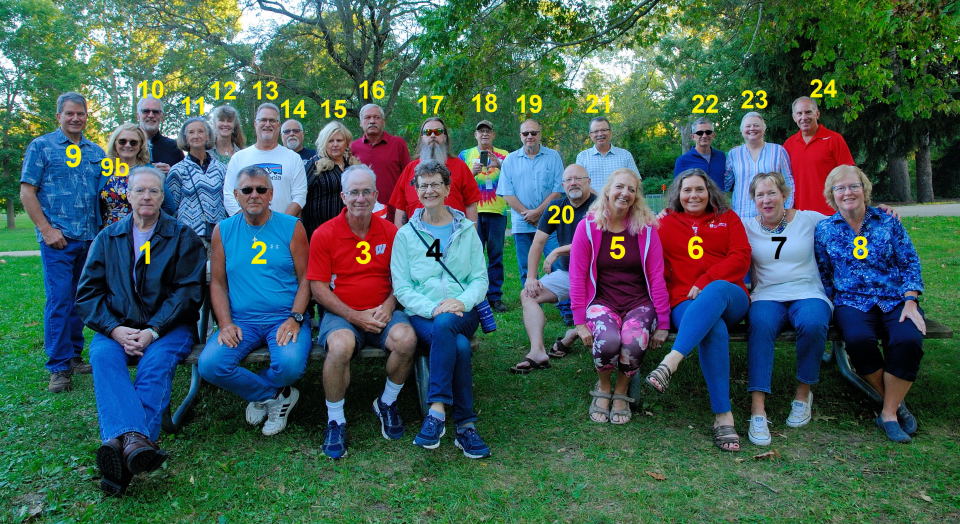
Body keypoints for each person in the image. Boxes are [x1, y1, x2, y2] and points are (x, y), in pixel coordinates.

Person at [75, 167, 205, 496]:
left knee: (155, 365)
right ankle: (137, 446)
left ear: (163, 197)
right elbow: (88, 294)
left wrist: (153, 330)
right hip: (116, 326)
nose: (147, 197)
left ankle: (119, 455)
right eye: (140, 191)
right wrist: (115, 329)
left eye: (154, 191)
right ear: (128, 195)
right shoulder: (108, 238)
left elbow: (188, 293)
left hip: (168, 328)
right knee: (103, 357)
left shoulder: (182, 236)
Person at [308, 165, 417, 459]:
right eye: (354, 192)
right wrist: (355, 316)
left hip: (383, 310)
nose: (360, 198)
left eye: (366, 191)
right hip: (342, 313)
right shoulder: (324, 233)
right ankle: (335, 418)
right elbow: (318, 288)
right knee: (340, 346)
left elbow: (403, 280)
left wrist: (388, 305)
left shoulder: (392, 232)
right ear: (343, 196)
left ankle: (387, 402)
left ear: (376, 195)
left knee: (406, 339)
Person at [814, 165, 925, 443]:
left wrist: (910, 300)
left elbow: (909, 261)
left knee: (908, 339)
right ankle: (896, 404)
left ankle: (888, 412)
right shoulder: (825, 229)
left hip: (895, 299)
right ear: (832, 195)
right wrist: (830, 304)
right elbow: (824, 271)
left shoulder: (887, 221)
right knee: (859, 340)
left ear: (865, 189)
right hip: (851, 302)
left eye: (853, 186)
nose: (847, 192)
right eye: (840, 188)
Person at [198, 166, 311, 436]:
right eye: (247, 190)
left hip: (283, 317)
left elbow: (307, 277)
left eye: (261, 189)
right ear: (236, 195)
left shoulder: (291, 227)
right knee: (211, 365)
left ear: (271, 194)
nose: (254, 195)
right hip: (242, 320)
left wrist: (295, 318)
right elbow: (218, 282)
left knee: (290, 366)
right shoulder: (223, 230)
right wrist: (224, 323)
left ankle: (263, 392)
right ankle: (275, 396)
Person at [644, 168, 751, 451]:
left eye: (699, 189)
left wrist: (705, 280)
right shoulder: (666, 223)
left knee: (715, 291)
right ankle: (723, 415)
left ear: (709, 191)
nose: (693, 195)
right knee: (712, 328)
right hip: (683, 301)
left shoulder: (727, 218)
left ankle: (671, 361)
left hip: (730, 296)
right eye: (687, 190)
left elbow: (741, 257)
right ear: (678, 193)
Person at [391, 160, 491, 459]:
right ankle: (466, 426)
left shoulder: (466, 230)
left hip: (464, 310)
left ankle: (435, 410)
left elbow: (479, 277)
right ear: (416, 191)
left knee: (450, 325)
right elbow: (403, 287)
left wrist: (463, 301)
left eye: (436, 184)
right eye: (423, 185)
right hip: (424, 314)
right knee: (458, 344)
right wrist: (433, 307)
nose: (429, 190)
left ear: (448, 189)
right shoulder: (406, 235)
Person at [568, 168, 670, 424]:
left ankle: (622, 390)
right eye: (619, 187)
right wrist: (579, 322)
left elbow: (657, 277)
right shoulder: (588, 227)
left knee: (633, 342)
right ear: (607, 191)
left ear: (636, 197)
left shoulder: (646, 230)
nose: (624, 193)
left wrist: (664, 323)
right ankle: (604, 386)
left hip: (639, 303)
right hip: (602, 301)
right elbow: (577, 277)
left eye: (631, 190)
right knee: (609, 341)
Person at [20, 92, 106, 393]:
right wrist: (46, 229)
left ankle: (74, 356)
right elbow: (27, 192)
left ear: (86, 116)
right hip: (58, 239)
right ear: (59, 116)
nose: (75, 118)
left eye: (80, 114)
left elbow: (107, 191)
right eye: (69, 113)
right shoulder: (42, 147)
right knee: (59, 299)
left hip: (90, 239)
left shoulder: (95, 152)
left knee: (81, 301)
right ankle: (58, 368)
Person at [743, 171, 832, 446]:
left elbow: (848, 220)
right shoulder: (747, 226)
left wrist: (884, 211)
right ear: (753, 200)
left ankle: (803, 393)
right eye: (760, 195)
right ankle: (758, 409)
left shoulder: (808, 219)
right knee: (759, 326)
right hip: (767, 295)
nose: (766, 200)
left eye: (772, 193)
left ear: (784, 194)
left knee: (814, 323)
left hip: (807, 292)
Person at [510, 164, 596, 373]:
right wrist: (531, 277)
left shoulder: (601, 205)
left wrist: (558, 251)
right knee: (528, 294)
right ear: (563, 185)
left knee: (603, 314)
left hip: (598, 277)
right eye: (568, 180)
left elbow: (594, 244)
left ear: (588, 182)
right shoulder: (556, 206)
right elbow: (538, 243)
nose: (573, 183)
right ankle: (537, 352)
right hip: (568, 273)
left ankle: (572, 333)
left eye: (578, 178)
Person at [497, 119, 563, 283]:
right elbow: (506, 193)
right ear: (520, 136)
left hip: (550, 221)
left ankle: (565, 307)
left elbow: (559, 190)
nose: (530, 136)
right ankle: (531, 304)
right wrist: (528, 215)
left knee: (558, 265)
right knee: (527, 270)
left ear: (540, 134)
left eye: (534, 133)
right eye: (526, 133)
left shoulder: (553, 157)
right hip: (522, 223)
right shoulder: (510, 160)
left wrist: (538, 213)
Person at [389, 117, 480, 226]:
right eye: (427, 132)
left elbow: (471, 205)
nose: (433, 135)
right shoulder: (409, 169)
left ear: (445, 137)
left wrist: (471, 234)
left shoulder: (460, 166)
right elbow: (400, 209)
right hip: (416, 237)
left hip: (454, 235)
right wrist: (401, 239)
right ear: (422, 138)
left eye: (438, 132)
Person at [459, 120, 509, 312]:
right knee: (474, 255)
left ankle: (494, 296)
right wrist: (472, 172)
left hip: (497, 210)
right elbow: (458, 182)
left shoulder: (504, 155)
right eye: (481, 131)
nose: (484, 134)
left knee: (496, 255)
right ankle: (476, 296)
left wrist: (501, 165)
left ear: (493, 135)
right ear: (475, 135)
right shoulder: (465, 154)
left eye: (488, 131)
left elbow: (513, 178)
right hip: (473, 212)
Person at [223, 103, 307, 217]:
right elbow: (229, 195)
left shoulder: (294, 158)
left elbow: (300, 196)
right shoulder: (238, 158)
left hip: (282, 229)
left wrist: (281, 223)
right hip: (246, 229)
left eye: (272, 120)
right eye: (263, 120)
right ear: (255, 123)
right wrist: (248, 222)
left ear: (279, 125)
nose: (267, 124)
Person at [783, 96, 855, 215]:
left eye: (808, 112)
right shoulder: (788, 145)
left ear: (817, 114)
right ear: (794, 117)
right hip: (799, 215)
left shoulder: (834, 139)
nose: (804, 117)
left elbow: (849, 175)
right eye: (799, 113)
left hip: (831, 214)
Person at [162, 117, 227, 243]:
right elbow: (172, 206)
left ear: (208, 136)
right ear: (185, 138)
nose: (196, 136)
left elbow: (226, 201)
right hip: (188, 236)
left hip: (219, 234)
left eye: (200, 131)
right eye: (191, 132)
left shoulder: (221, 168)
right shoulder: (177, 170)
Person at [724, 112, 794, 218]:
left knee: (775, 236)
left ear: (764, 129)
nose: (752, 128)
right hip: (742, 215)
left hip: (773, 215)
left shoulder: (778, 151)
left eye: (756, 125)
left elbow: (788, 182)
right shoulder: (734, 154)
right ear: (742, 130)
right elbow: (725, 184)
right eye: (748, 126)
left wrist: (787, 209)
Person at [303, 121, 360, 239]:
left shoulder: (353, 165)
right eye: (330, 141)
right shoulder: (314, 164)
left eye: (339, 140)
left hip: (349, 231)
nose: (335, 144)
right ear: (324, 143)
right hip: (319, 232)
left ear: (346, 143)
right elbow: (300, 196)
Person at [350, 103, 411, 210]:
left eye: (377, 117)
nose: (372, 121)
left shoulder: (398, 144)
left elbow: (408, 178)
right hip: (362, 209)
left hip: (393, 210)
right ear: (360, 123)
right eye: (367, 117)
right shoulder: (353, 147)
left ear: (383, 122)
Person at [101, 123, 151, 226]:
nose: (127, 145)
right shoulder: (105, 170)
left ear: (140, 145)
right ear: (115, 144)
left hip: (139, 231)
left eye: (133, 142)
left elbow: (168, 206)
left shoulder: (149, 171)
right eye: (122, 141)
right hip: (108, 232)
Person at [574, 117, 639, 190]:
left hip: (620, 201)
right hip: (592, 201)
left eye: (604, 130)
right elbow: (578, 184)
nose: (600, 134)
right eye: (596, 131)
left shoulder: (625, 155)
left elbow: (636, 182)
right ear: (590, 135)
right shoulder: (582, 157)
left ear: (610, 132)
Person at [673, 118, 726, 188]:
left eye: (708, 132)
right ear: (693, 137)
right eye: (699, 133)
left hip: (718, 199)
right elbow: (678, 188)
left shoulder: (721, 157)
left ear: (713, 135)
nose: (704, 136)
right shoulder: (683, 161)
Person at [136, 96, 183, 173]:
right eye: (146, 111)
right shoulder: (126, 145)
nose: (151, 115)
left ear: (162, 116)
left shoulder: (174, 147)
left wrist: (172, 172)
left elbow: (184, 179)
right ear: (138, 116)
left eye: (155, 112)